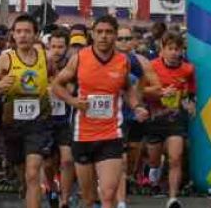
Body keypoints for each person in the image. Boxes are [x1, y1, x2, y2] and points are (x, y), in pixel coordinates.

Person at [51, 16, 148, 208]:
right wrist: (73, 101)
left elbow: (127, 88)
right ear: (93, 35)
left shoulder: (123, 61)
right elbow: (57, 85)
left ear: (114, 35)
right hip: (83, 135)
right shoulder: (79, 59)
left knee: (108, 194)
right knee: (88, 198)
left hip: (111, 134)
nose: (104, 36)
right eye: (100, 32)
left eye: (109, 32)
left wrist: (136, 106)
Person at [0, 14, 52, 208]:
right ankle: (25, 187)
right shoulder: (6, 59)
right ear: (13, 35)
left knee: (33, 174)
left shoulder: (45, 56)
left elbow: (56, 78)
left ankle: (32, 191)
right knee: (24, 175)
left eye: (27, 31)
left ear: (35, 34)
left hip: (39, 123)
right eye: (18, 32)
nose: (23, 36)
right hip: (13, 124)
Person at [144, 32, 196, 208]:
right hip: (154, 119)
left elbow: (191, 92)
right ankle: (154, 171)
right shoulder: (152, 66)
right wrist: (160, 92)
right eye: (170, 49)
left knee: (175, 158)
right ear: (162, 49)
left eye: (177, 49)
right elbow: (141, 91)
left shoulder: (188, 69)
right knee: (154, 159)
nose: (174, 52)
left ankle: (173, 198)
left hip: (176, 120)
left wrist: (190, 103)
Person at [115, 25, 162, 208]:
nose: (124, 43)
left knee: (132, 155)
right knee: (119, 158)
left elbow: (157, 87)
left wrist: (137, 93)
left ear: (134, 41)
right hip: (113, 115)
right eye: (120, 39)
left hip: (133, 114)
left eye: (128, 39)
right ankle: (119, 198)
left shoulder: (141, 61)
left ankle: (125, 184)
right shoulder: (108, 60)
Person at [44, 29, 75, 208]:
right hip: (46, 122)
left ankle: (64, 198)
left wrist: (56, 83)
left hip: (64, 120)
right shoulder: (42, 65)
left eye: (60, 47)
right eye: (53, 46)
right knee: (48, 164)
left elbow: (70, 91)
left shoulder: (70, 66)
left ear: (67, 47)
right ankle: (52, 188)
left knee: (67, 160)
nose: (56, 50)